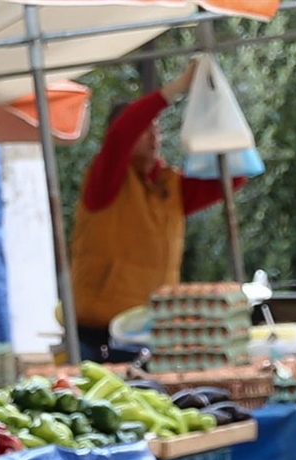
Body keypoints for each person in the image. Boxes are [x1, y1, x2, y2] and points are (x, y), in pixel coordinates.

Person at [71, 63, 245, 360]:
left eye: (157, 130)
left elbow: (235, 176)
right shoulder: (106, 180)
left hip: (154, 330)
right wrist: (176, 88)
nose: (153, 138)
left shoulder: (171, 185)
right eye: (144, 131)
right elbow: (123, 134)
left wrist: (218, 111)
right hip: (100, 332)